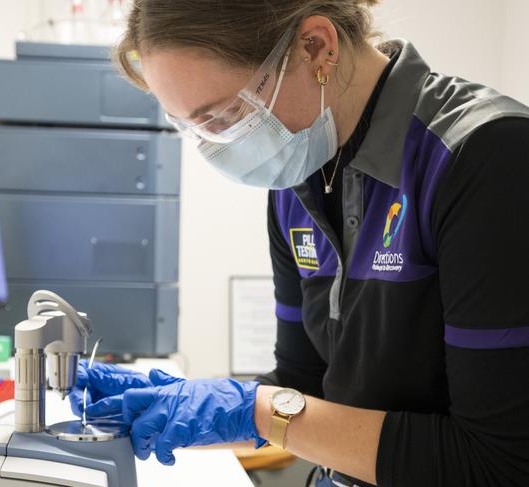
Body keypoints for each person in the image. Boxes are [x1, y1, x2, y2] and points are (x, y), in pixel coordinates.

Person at [70, 1, 529, 485]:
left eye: (224, 116)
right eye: (192, 128)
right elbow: (303, 388)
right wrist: (174, 402)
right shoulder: (298, 185)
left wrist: (254, 412)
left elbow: (499, 464)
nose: (216, 148)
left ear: (316, 48)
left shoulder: (485, 158)